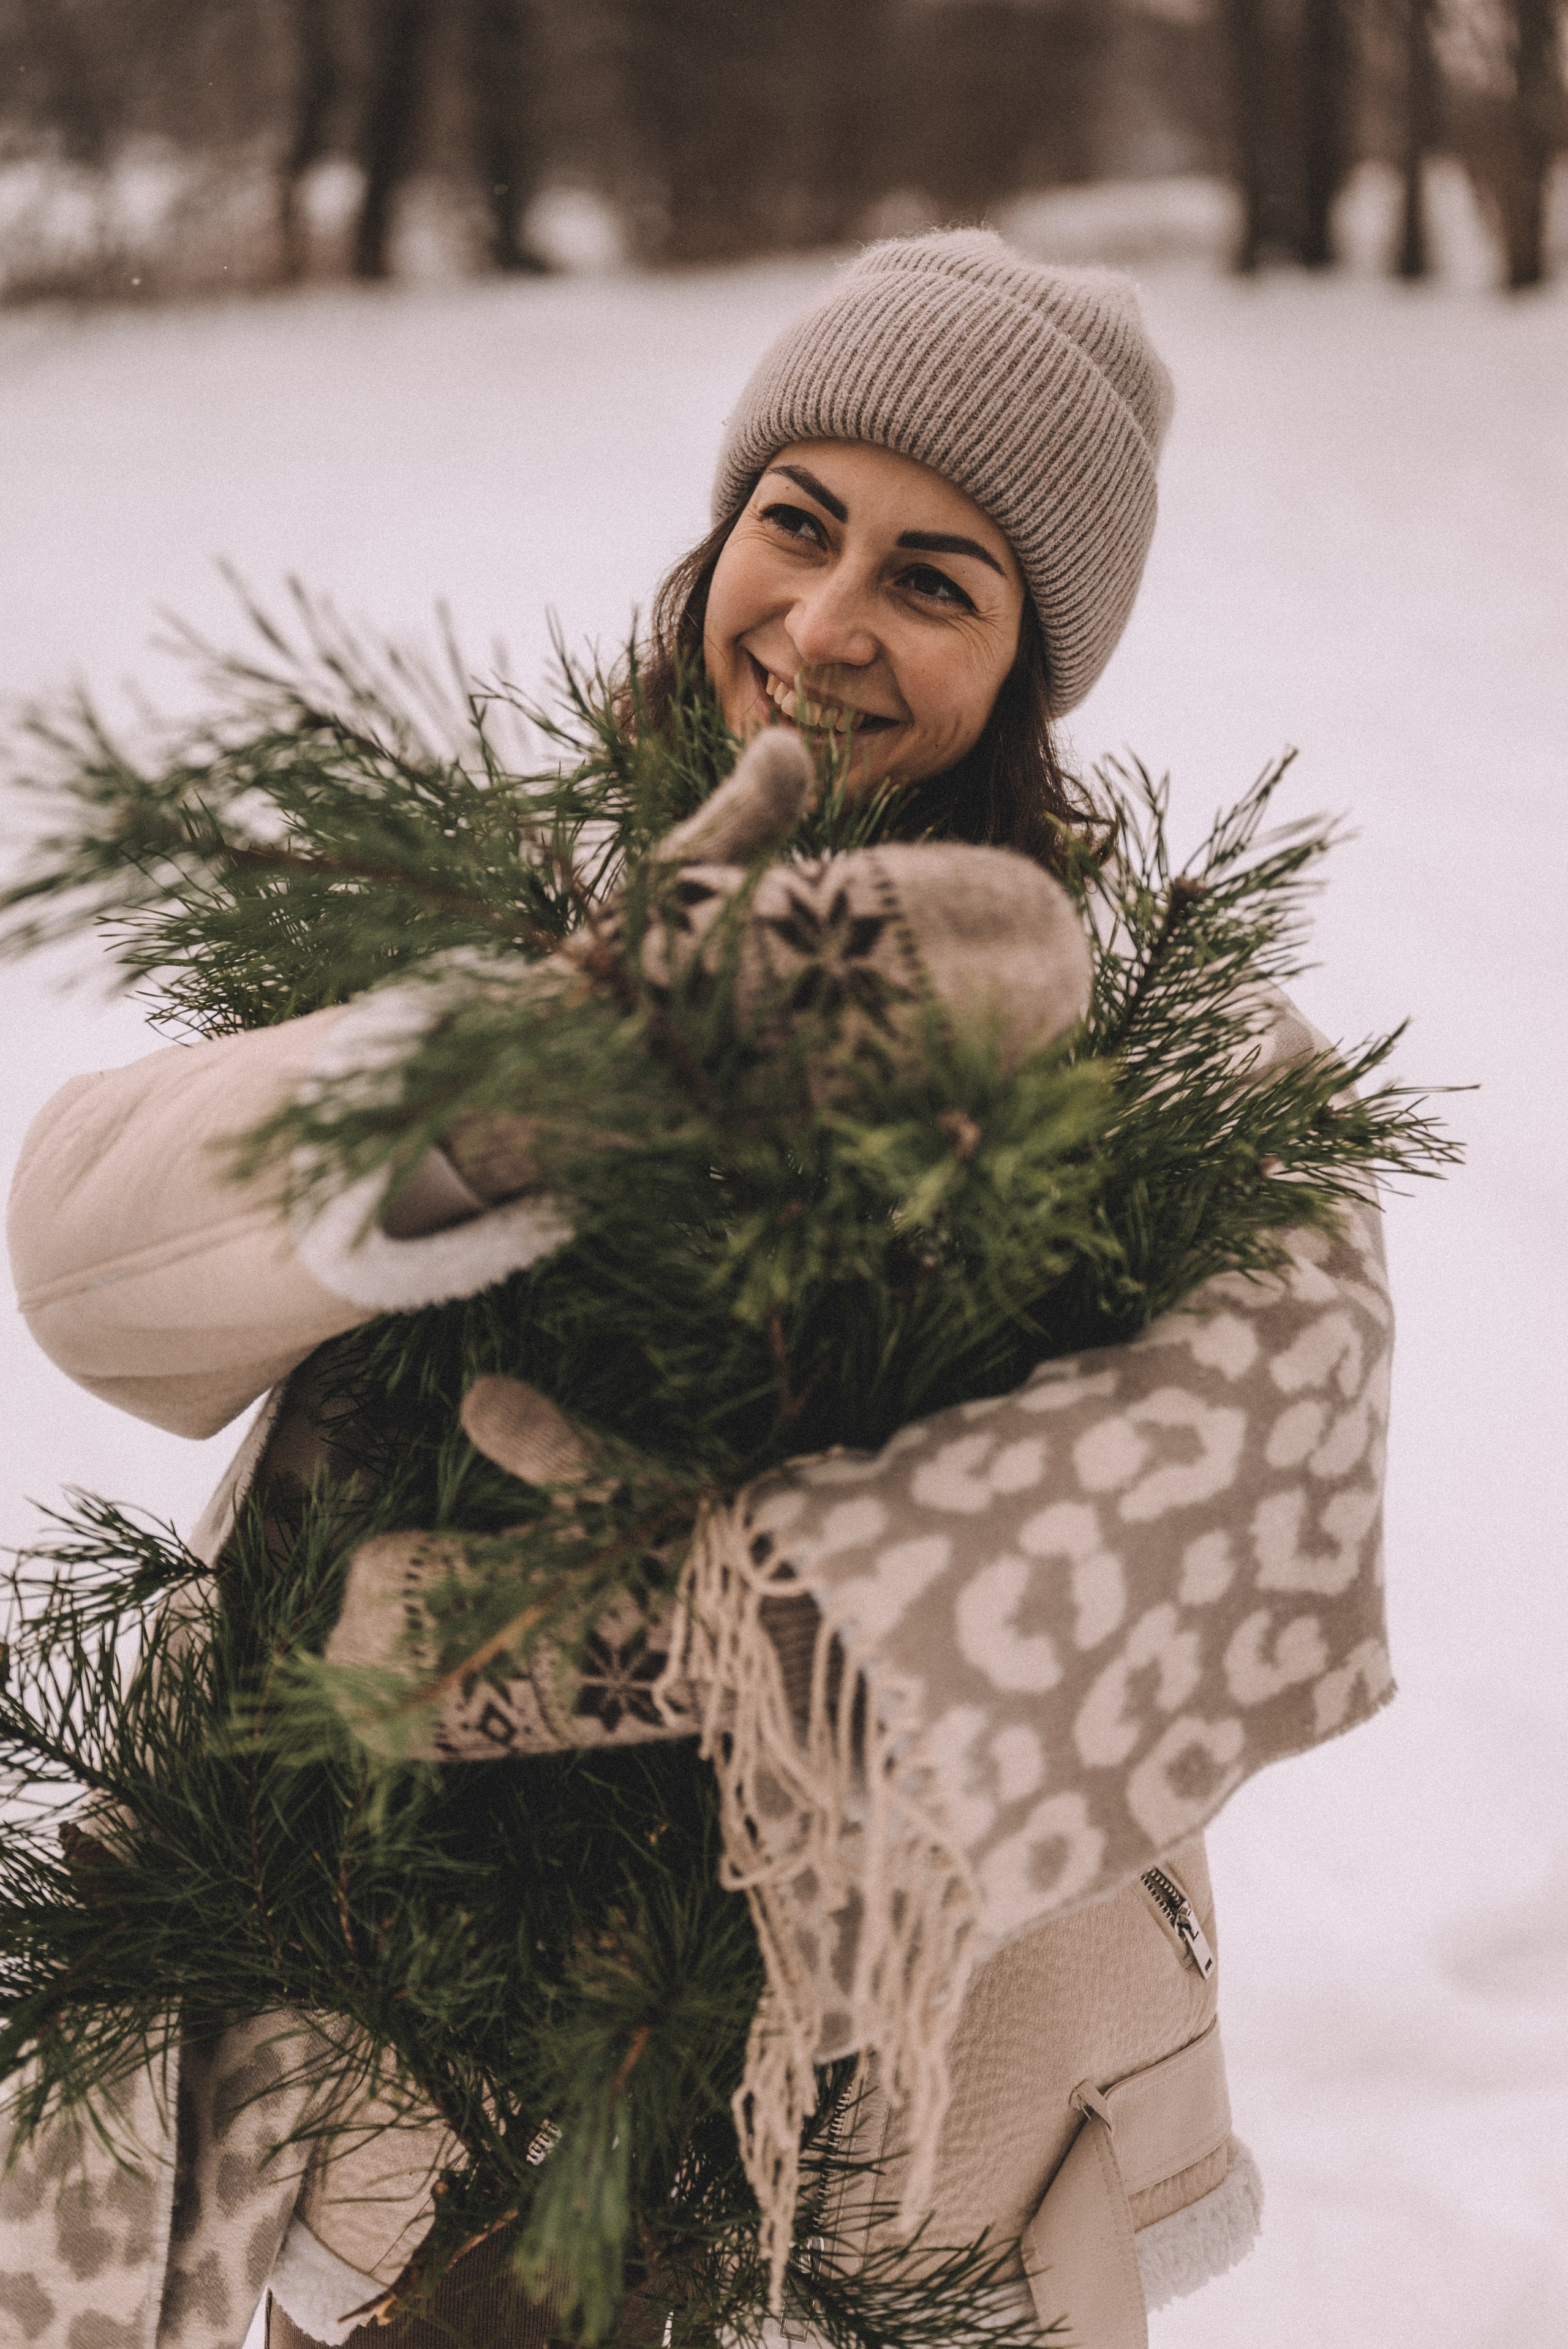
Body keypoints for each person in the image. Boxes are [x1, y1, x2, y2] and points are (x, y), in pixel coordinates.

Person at [5, 232, 1395, 2349]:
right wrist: (534, 1071)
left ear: (1030, 660)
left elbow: (1240, 1529)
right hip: (391, 2135)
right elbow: (94, 1260)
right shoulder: (519, 919)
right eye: (798, 523)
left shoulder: (1177, 1064)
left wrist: (612, 1630)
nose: (825, 627)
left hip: (892, 2189)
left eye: (935, 580)